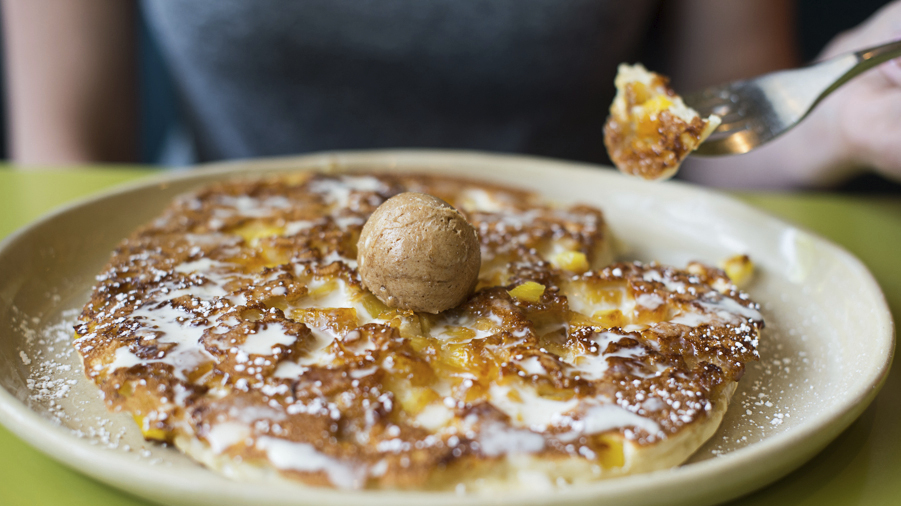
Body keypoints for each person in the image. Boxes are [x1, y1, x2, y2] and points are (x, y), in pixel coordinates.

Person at [1, 0, 898, 190]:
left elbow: (709, 130)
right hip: (211, 272)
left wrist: (842, 113)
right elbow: (65, 157)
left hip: (593, 285)